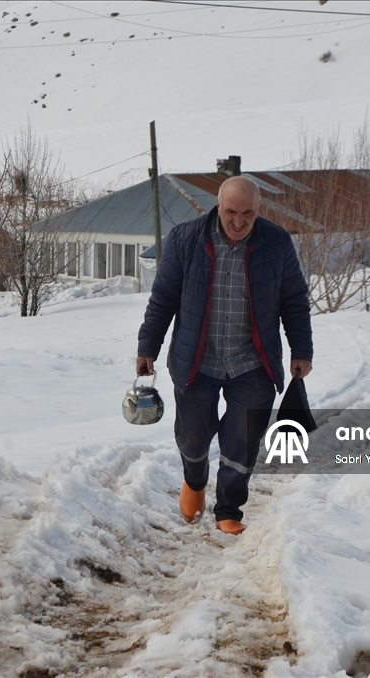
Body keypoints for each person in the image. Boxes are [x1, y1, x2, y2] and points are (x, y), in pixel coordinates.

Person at [136, 175, 313, 535]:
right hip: (196, 360)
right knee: (194, 436)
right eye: (231, 211)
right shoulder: (185, 240)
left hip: (252, 362)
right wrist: (147, 348)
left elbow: (294, 300)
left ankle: (228, 509)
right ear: (217, 207)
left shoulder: (276, 243)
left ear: (258, 211)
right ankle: (195, 481)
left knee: (242, 440)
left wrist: (301, 349)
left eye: (247, 213)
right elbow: (163, 299)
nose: (238, 221)